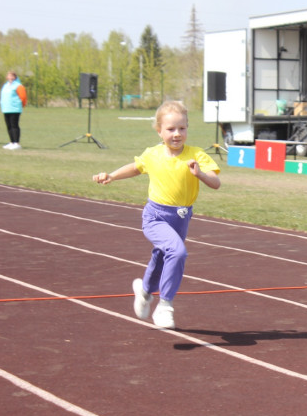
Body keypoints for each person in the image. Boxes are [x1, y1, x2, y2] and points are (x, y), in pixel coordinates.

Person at [92, 101, 221, 328]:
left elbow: (216, 183)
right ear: (159, 131)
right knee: (177, 252)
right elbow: (135, 167)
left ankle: (144, 292)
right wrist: (111, 176)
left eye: (182, 128)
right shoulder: (152, 154)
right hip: (155, 217)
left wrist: (200, 174)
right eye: (170, 129)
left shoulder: (197, 155)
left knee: (162, 257)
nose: (177, 134)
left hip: (181, 218)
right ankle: (165, 306)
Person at [1, 70, 27, 150]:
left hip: (15, 109)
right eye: (9, 76)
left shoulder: (18, 86)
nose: (10, 77)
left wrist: (20, 105)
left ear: (15, 77)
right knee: (8, 126)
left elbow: (23, 97)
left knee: (14, 125)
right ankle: (11, 142)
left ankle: (17, 143)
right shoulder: (6, 85)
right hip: (6, 108)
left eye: (12, 76)